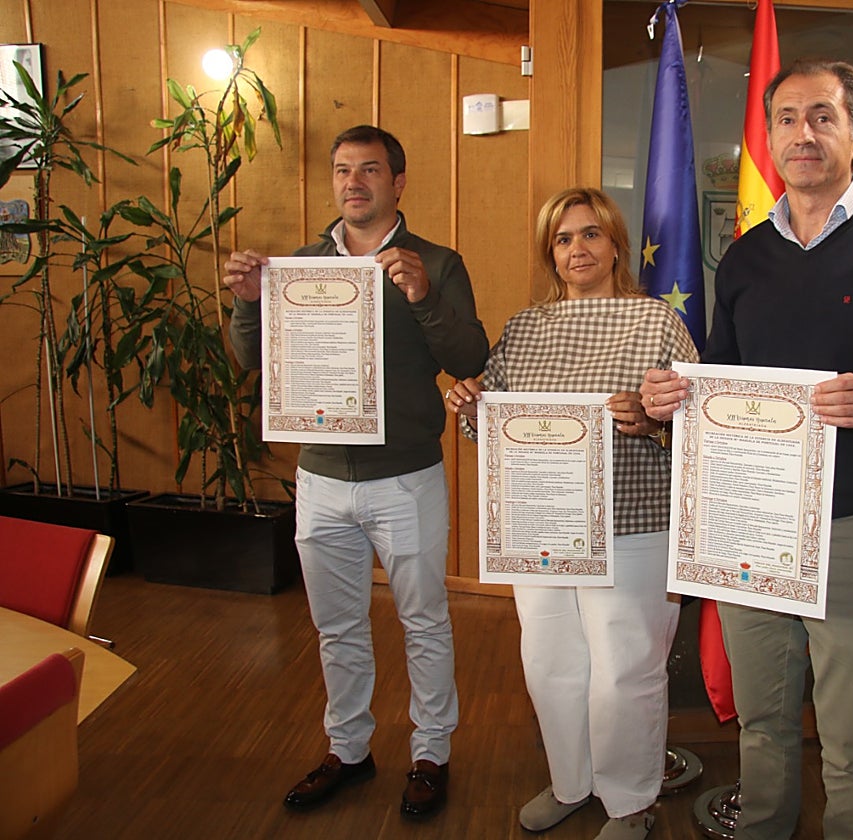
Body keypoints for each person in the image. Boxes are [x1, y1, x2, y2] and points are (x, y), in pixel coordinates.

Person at [641, 59, 853, 840]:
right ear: (769, 138)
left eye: (824, 116)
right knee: (763, 721)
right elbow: (725, 386)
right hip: (750, 529)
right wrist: (675, 402)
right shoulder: (745, 260)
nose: (805, 133)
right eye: (789, 117)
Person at [224, 124, 489, 819]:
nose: (353, 183)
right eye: (343, 170)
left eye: (369, 170)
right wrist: (248, 301)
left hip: (405, 478)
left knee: (423, 620)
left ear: (398, 183)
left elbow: (467, 356)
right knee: (336, 626)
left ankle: (431, 752)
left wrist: (425, 294)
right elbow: (254, 362)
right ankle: (349, 749)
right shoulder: (303, 266)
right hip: (318, 481)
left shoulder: (435, 259)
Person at [445, 187, 698, 840]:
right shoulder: (526, 327)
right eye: (562, 239)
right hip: (542, 526)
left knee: (623, 670)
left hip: (633, 521)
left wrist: (651, 419)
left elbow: (695, 421)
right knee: (551, 663)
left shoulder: (655, 322)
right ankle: (571, 782)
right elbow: (493, 423)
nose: (576, 249)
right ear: (549, 254)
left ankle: (631, 802)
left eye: (589, 234)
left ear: (615, 242)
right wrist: (473, 405)